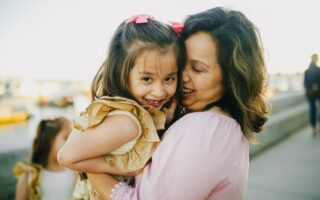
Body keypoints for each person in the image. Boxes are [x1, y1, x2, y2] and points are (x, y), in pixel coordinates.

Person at [86, 7, 269, 200]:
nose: (182, 77)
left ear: (232, 78)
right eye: (180, 64)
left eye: (197, 69)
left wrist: (89, 167)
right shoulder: (221, 124)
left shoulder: (206, 129)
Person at [57, 14, 184, 198]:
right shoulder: (127, 123)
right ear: (122, 74)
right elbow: (65, 156)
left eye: (169, 78)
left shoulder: (136, 113)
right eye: (147, 79)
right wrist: (124, 169)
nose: (159, 91)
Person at [13, 117, 77, 200]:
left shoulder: (75, 171)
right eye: (66, 138)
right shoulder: (29, 175)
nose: (71, 142)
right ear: (49, 140)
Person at [304, 53, 320, 137]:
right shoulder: (307, 71)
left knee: (313, 110)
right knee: (313, 110)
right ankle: (314, 128)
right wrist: (313, 86)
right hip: (311, 93)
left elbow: (305, 84)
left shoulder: (310, 71)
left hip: (314, 93)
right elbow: (305, 84)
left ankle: (315, 127)